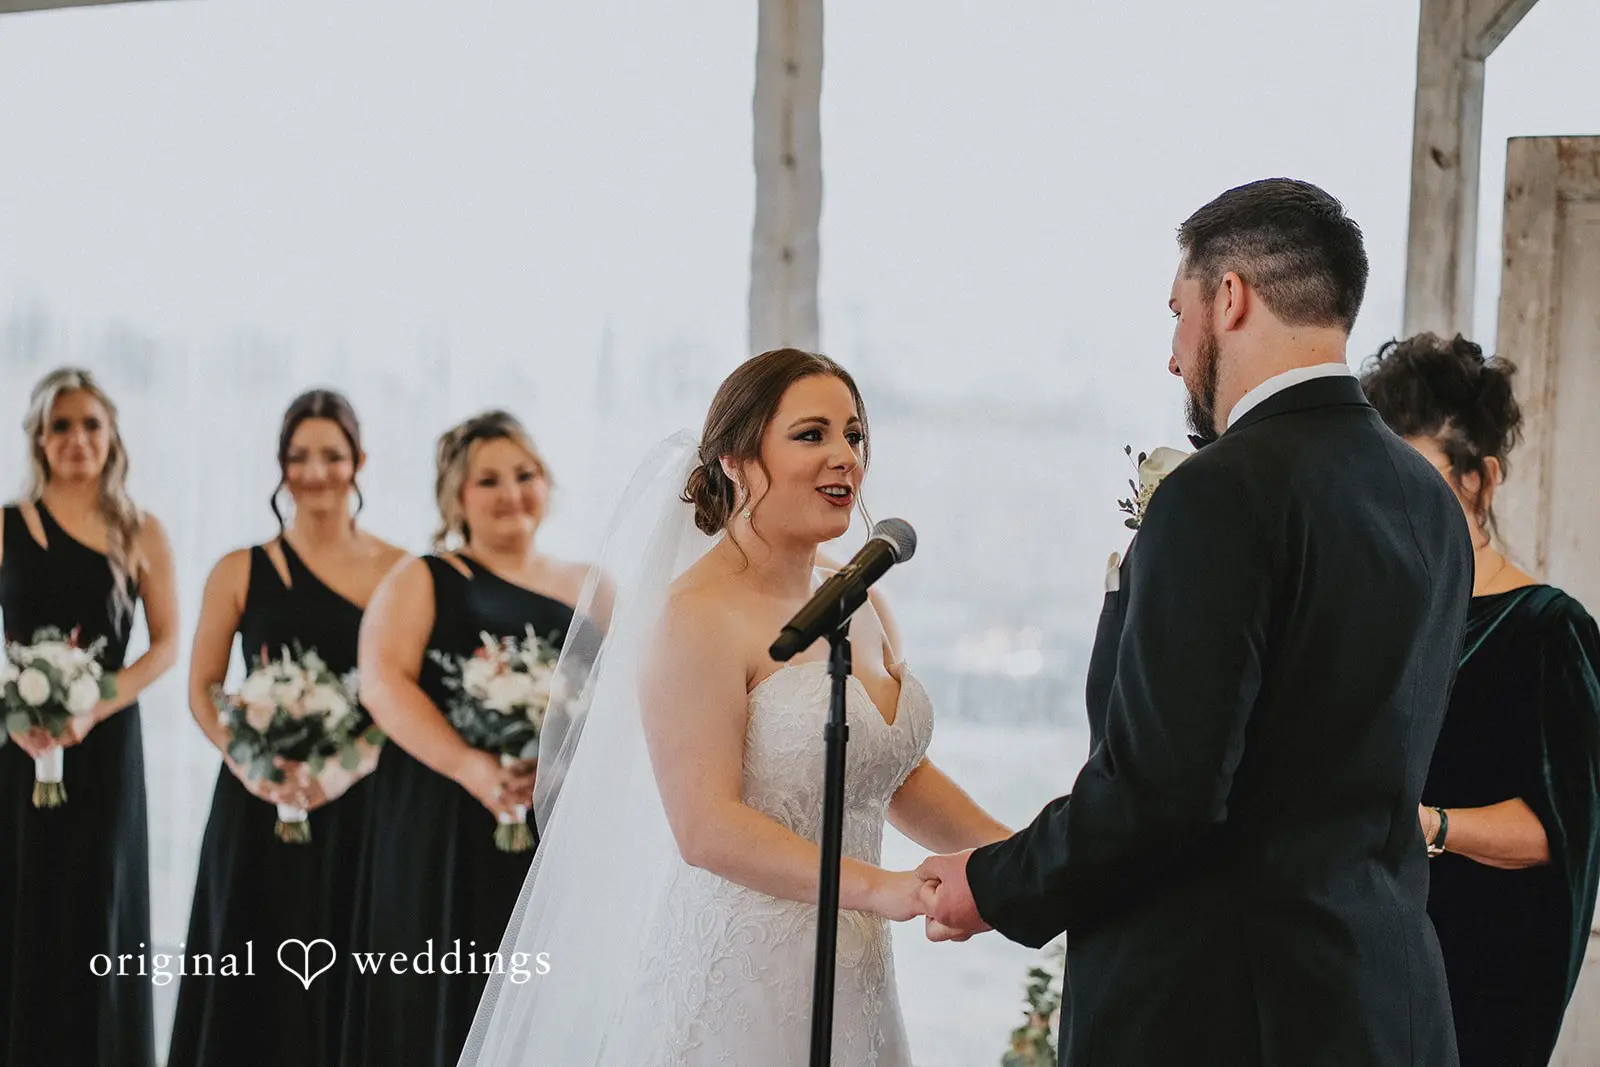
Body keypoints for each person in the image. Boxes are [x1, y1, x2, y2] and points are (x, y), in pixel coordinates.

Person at [919, 179, 1473, 1067]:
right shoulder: (1426, 501)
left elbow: (1162, 791)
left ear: (1230, 297)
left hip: (1225, 1014)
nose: (1175, 357)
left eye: (1177, 312)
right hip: (1384, 1004)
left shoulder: (1220, 494)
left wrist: (992, 883)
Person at [459, 348, 1009, 1066]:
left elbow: (893, 775)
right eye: (812, 435)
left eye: (855, 435)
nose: (845, 456)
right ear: (735, 459)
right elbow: (705, 826)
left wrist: (1034, 858)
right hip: (739, 987)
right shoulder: (693, 616)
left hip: (857, 978)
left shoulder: (861, 598)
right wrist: (886, 888)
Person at [1363, 332, 1600, 1066]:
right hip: (1365, 966)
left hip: (1484, 981)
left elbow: (1559, 830)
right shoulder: (1378, 617)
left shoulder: (1549, 629)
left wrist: (1427, 825)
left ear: (1483, 480)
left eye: (1421, 477)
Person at [341, 410, 593, 1067]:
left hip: (555, 822)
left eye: (525, 474)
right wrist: (473, 767)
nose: (512, 492)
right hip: (442, 817)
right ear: (456, 496)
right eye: (489, 480)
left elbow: (624, 699)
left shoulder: (592, 585)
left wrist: (565, 766)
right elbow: (384, 684)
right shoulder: (425, 577)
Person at [169, 389, 403, 1067]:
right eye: (299, 455)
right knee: (249, 964)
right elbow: (202, 689)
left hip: (361, 802)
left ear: (359, 460)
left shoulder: (399, 571)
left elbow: (402, 694)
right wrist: (260, 768)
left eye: (332, 454)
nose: (316, 470)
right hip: (256, 803)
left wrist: (340, 768)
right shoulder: (238, 568)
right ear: (280, 464)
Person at [0, 367, 179, 1067]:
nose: (77, 438)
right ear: (39, 439)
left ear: (112, 438)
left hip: (104, 744)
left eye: (91, 425)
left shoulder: (140, 530)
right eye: (61, 425)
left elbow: (166, 644)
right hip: (17, 742)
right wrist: (13, 714)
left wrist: (95, 703)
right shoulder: (8, 526)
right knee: (21, 896)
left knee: (96, 902)